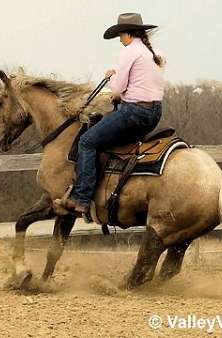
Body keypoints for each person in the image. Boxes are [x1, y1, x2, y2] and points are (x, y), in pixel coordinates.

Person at [55, 12, 166, 214]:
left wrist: (111, 76)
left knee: (87, 141)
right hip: (153, 113)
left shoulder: (129, 52)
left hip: (134, 112)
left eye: (120, 36)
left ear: (127, 34)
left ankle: (81, 198)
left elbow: (117, 88)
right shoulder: (153, 53)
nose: (120, 40)